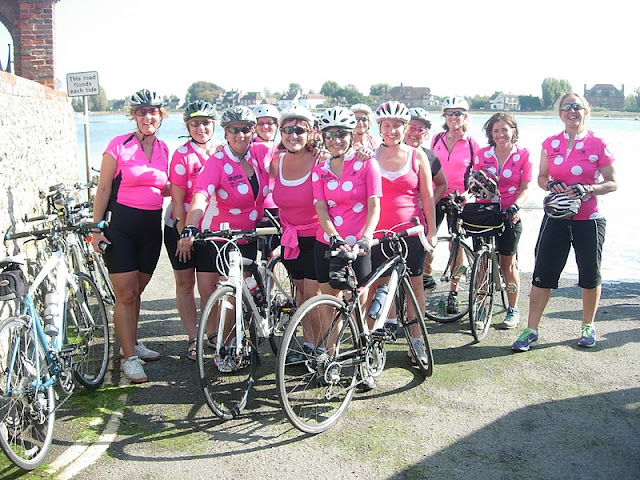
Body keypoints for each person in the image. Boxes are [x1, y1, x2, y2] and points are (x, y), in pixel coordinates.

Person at [512, 93, 617, 352]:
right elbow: (542, 178)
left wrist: (588, 188)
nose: (572, 111)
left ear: (585, 111)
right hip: (556, 217)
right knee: (543, 273)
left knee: (589, 274)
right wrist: (551, 184)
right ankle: (531, 329)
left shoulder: (598, 143)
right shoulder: (550, 143)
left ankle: (588, 326)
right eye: (566, 107)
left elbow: (613, 182)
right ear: (560, 113)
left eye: (577, 107)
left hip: (589, 219)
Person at [177, 106, 270, 371]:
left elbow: (293, 155)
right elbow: (201, 195)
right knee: (223, 294)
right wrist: (190, 226)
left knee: (247, 290)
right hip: (220, 235)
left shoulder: (260, 153)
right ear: (226, 133)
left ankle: (244, 335)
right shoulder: (216, 162)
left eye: (246, 129)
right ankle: (225, 346)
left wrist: (319, 149)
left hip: (251, 234)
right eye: (234, 130)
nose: (241, 134)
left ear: (253, 130)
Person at [90, 89, 169, 383]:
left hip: (150, 227)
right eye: (141, 112)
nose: (148, 117)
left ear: (160, 115)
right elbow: (103, 189)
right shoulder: (118, 145)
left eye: (153, 112)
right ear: (134, 116)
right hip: (120, 227)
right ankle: (130, 358)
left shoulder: (164, 149)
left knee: (138, 291)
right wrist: (96, 229)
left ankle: (131, 342)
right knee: (125, 294)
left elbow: (162, 186)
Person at [312, 106, 381, 390]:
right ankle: (332, 359)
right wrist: (334, 236)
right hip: (328, 243)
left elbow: (375, 205)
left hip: (359, 245)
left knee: (357, 307)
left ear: (352, 135)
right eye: (330, 135)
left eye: (341, 134)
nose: (335, 140)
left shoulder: (367, 164)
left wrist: (366, 236)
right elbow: (321, 208)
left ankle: (364, 363)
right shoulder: (320, 169)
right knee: (330, 305)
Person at [372, 101, 436, 366]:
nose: (392, 130)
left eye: (397, 125)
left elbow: (427, 196)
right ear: (379, 128)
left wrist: (432, 232)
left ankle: (416, 339)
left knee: (414, 286)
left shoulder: (417, 156)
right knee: (377, 286)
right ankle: (375, 338)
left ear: (405, 127)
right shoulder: (370, 156)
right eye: (386, 125)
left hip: (410, 232)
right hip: (377, 233)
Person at [271, 105, 327, 361]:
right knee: (301, 294)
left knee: (313, 295)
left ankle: (322, 347)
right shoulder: (277, 161)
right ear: (280, 132)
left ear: (310, 132)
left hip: (317, 238)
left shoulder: (321, 159)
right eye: (287, 130)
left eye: (299, 130)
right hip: (290, 239)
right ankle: (308, 344)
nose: (293, 135)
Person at [163, 100, 219, 361]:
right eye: (195, 123)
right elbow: (177, 200)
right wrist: (183, 233)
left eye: (206, 122)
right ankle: (192, 337)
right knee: (185, 284)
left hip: (211, 228)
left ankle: (212, 333)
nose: (201, 128)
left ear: (214, 124)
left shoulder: (223, 150)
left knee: (209, 287)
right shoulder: (182, 155)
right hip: (181, 225)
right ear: (188, 126)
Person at [472, 113, 532, 329]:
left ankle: (513, 309)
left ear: (513, 131)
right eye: (495, 131)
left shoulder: (523, 154)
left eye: (505, 130)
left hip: (509, 213)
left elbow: (525, 188)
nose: (500, 135)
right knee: (481, 263)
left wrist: (516, 205)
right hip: (485, 213)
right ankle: (480, 306)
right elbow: (474, 184)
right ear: (490, 134)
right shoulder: (482, 154)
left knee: (508, 263)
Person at [430, 96, 480, 313]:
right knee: (427, 240)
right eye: (449, 113)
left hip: (458, 198)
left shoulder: (471, 143)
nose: (453, 117)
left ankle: (454, 291)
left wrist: (469, 194)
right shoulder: (436, 139)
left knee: (455, 245)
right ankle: (425, 280)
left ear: (465, 116)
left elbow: (477, 175)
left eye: (458, 113)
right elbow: (428, 168)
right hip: (436, 195)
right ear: (444, 116)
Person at [403, 107, 448, 289]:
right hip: (393, 219)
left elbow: (442, 184)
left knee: (417, 271)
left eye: (420, 129)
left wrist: (425, 203)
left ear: (426, 133)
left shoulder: (429, 157)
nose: (415, 132)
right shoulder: (387, 153)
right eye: (411, 127)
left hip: (418, 219)